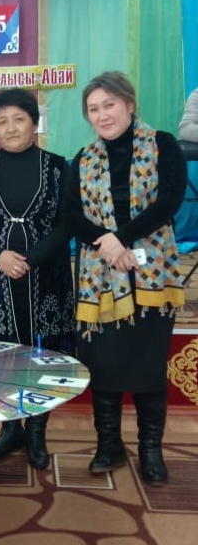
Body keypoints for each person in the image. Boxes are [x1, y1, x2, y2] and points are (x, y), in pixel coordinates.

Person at [63, 71, 186, 486]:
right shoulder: (82, 159)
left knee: (149, 365)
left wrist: (121, 238)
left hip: (152, 275)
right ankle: (109, 446)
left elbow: (168, 202)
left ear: (130, 105)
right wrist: (109, 246)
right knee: (104, 364)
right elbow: (71, 217)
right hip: (100, 276)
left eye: (110, 104)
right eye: (93, 109)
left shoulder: (162, 144)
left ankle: (151, 450)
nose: (103, 115)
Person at [0, 88, 75, 469]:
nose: (10, 128)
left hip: (47, 276)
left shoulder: (58, 167)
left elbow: (67, 222)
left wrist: (30, 260)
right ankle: (9, 428)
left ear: (34, 123)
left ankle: (37, 430)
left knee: (45, 354)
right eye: (2, 121)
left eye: (19, 119)